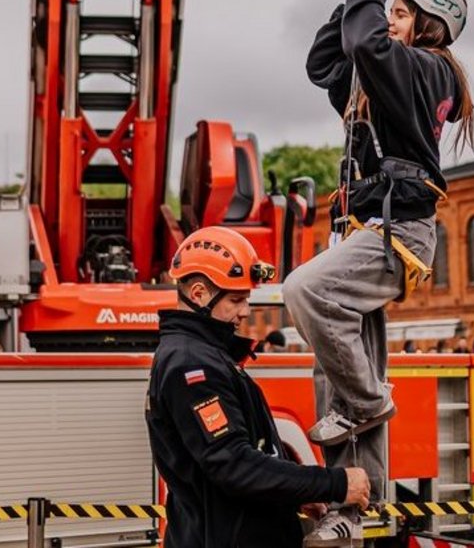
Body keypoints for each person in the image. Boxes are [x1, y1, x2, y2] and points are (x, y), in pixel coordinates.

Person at [284, 0, 474, 544]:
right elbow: (325, 62)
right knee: (333, 375)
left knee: (305, 292)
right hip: (368, 229)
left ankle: (368, 401)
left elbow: (367, 45)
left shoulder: (428, 69)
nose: (387, 20)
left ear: (428, 26)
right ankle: (351, 508)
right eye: (386, 10)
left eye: (399, 12)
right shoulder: (385, 78)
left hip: (397, 232)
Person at [146, 227, 371, 548]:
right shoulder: (192, 366)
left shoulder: (201, 355)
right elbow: (234, 465)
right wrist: (334, 483)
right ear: (198, 294)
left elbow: (250, 456)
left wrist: (294, 493)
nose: (245, 311)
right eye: (236, 300)